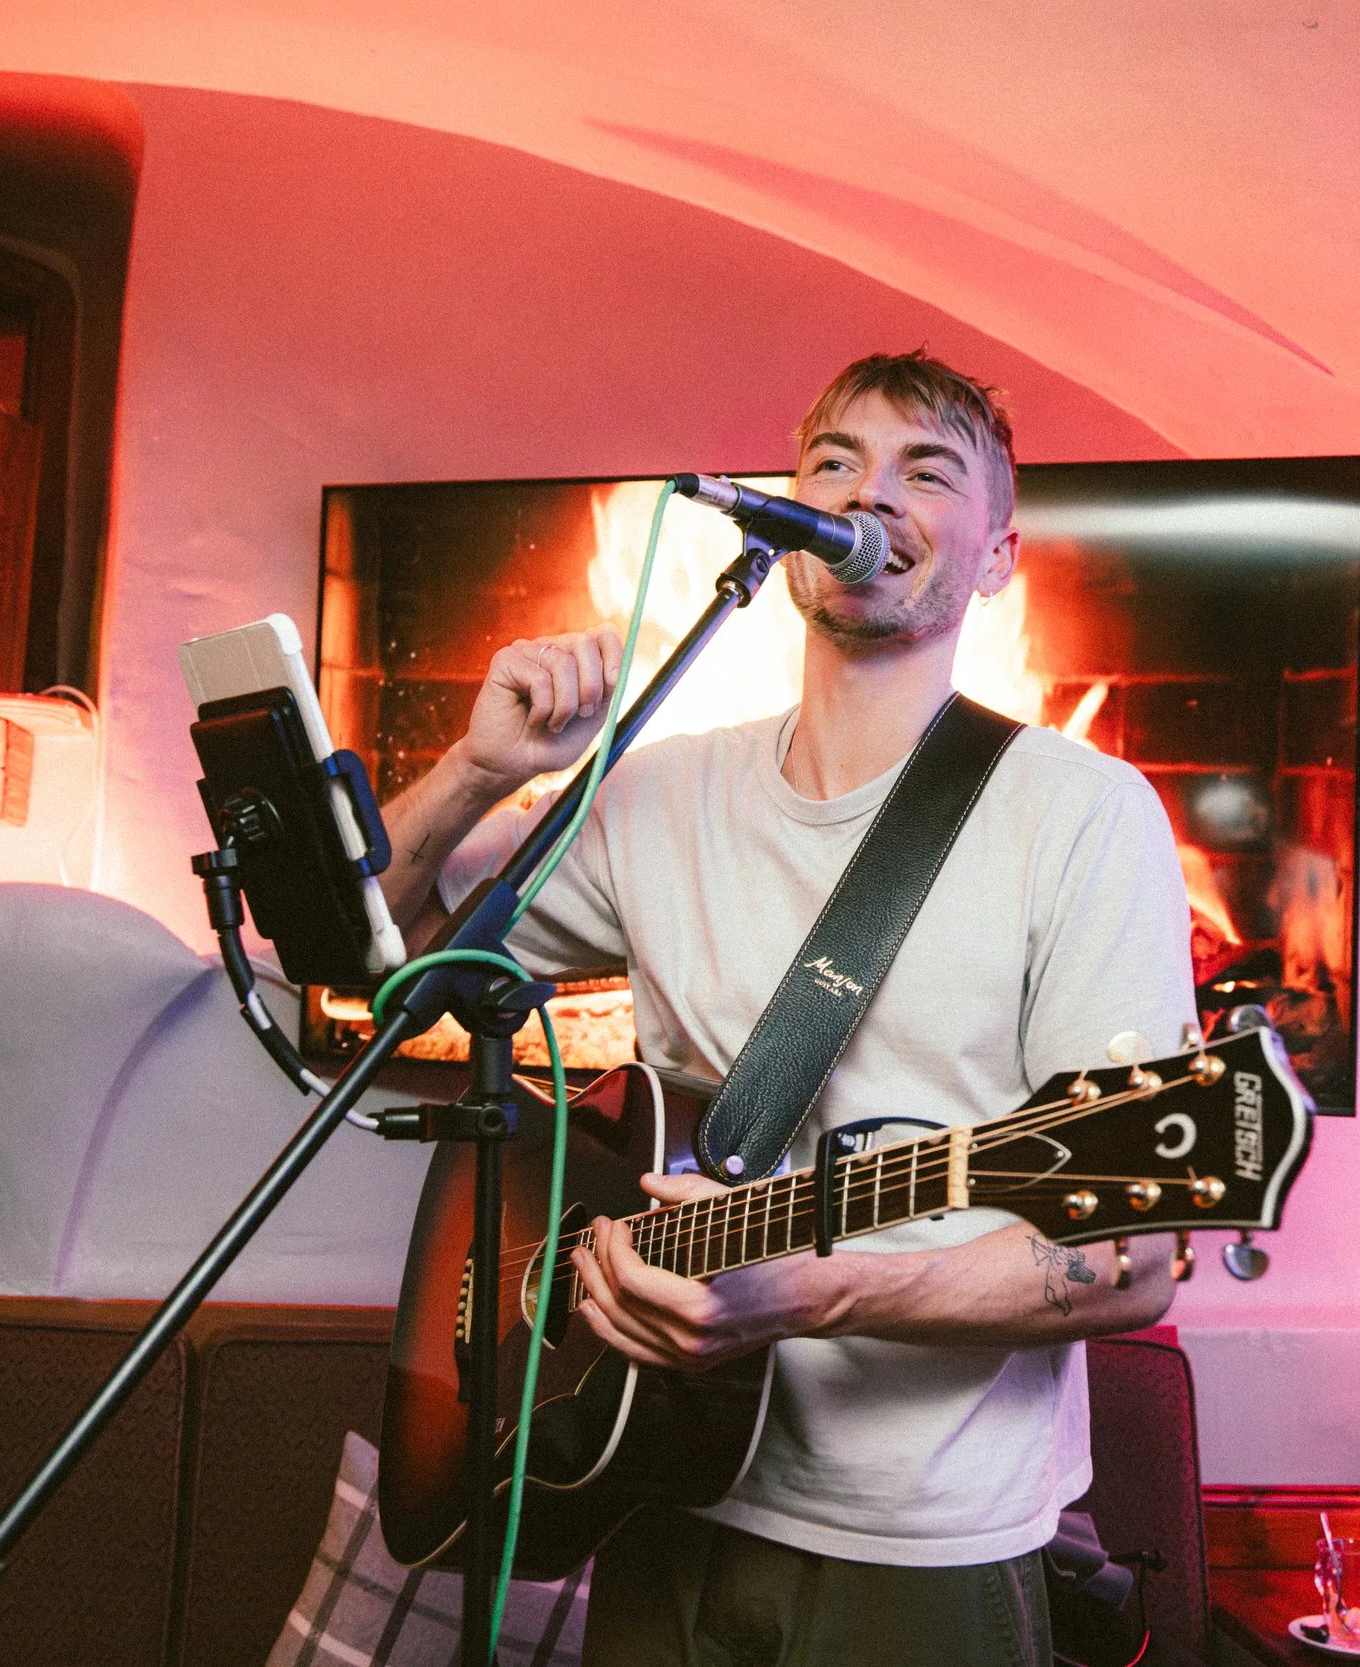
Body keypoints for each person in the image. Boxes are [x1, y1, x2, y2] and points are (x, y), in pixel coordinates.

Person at [375, 351, 1198, 1667]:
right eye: (833, 464)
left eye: (926, 473)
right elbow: (394, 976)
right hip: (655, 1481)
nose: (869, 494)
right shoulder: (656, 793)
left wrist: (806, 1293)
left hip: (919, 1553)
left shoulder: (1081, 817)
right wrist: (478, 773)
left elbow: (1131, 1258)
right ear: (781, 517)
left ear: (995, 555)